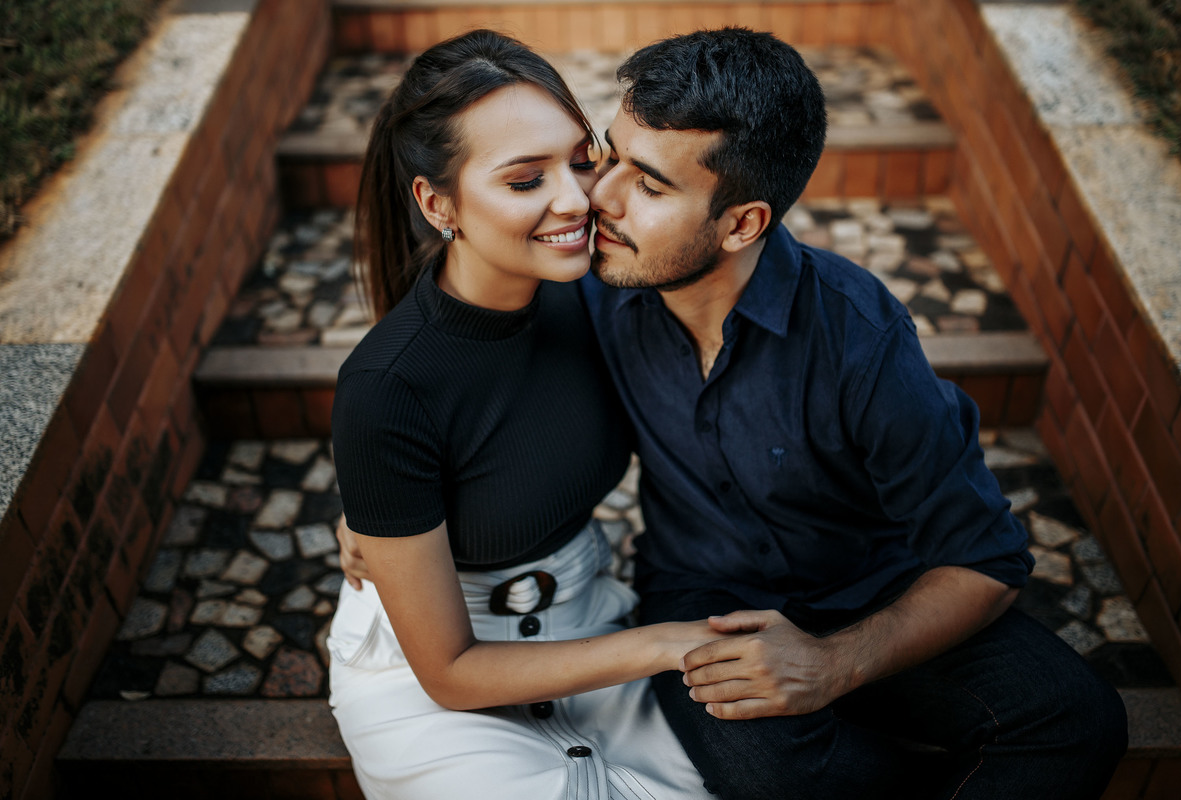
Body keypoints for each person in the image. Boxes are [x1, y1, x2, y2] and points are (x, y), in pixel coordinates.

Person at [339, 26, 1130, 800]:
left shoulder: (856, 334)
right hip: (703, 597)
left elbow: (987, 559)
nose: (592, 199)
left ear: (743, 223)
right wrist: (386, 506)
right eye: (606, 158)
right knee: (771, 773)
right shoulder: (592, 283)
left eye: (646, 185)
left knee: (1078, 719)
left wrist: (836, 663)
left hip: (873, 586)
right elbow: (451, 361)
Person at [326, 29, 726, 800]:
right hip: (438, 679)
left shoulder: (602, 293)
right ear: (437, 202)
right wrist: (670, 644)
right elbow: (449, 671)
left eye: (582, 160)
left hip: (591, 621)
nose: (577, 200)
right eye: (523, 181)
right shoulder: (385, 387)